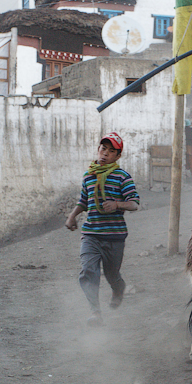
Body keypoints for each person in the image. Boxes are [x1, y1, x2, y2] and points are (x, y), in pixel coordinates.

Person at [65, 133, 140, 327]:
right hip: (91, 234)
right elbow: (84, 200)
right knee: (88, 271)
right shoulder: (89, 175)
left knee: (111, 274)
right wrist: (72, 216)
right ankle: (95, 312)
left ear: (118, 156)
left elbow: (134, 204)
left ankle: (118, 289)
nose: (105, 154)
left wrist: (117, 204)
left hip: (114, 237)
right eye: (103, 149)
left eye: (111, 151)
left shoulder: (122, 177)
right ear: (98, 150)